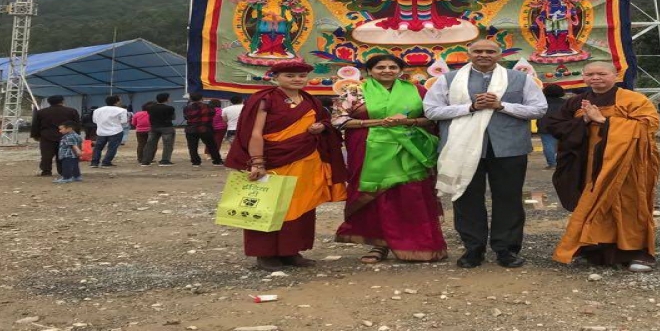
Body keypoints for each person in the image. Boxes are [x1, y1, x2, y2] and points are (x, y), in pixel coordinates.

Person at [423, 39, 547, 269]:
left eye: (490, 51)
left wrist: (502, 106)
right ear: (468, 54)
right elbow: (431, 110)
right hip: (462, 146)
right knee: (466, 198)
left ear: (500, 55)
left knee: (508, 198)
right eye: (478, 51)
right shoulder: (448, 79)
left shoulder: (520, 78)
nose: (484, 55)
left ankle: (506, 250)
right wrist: (469, 107)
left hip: (508, 148)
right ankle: (473, 248)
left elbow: (539, 108)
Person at [225, 59, 347, 271]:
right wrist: (257, 161)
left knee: (301, 206)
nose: (297, 79)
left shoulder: (310, 100)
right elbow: (254, 132)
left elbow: (324, 123)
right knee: (268, 205)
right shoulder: (265, 99)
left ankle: (292, 251)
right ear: (276, 77)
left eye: (301, 76)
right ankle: (265, 255)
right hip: (274, 159)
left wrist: (321, 127)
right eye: (289, 76)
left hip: (306, 161)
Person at [540, 62, 660, 272]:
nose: (595, 78)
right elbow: (554, 125)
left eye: (602, 74)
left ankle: (637, 252)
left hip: (626, 163)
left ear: (616, 75)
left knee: (630, 203)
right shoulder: (576, 102)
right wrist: (584, 120)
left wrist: (605, 121)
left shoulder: (634, 99)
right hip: (588, 163)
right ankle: (593, 248)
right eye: (590, 74)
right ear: (584, 78)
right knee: (591, 202)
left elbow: (649, 125)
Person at [332, 54, 446, 263]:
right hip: (369, 151)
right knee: (377, 197)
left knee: (411, 196)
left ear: (400, 70)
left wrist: (409, 121)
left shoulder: (417, 90)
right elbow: (338, 120)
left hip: (410, 150)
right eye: (380, 67)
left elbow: (433, 117)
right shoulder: (355, 91)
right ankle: (378, 245)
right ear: (369, 71)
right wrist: (377, 122)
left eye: (392, 67)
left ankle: (417, 242)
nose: (387, 70)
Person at [30, 96, 81, 177]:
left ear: (49, 102)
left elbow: (35, 125)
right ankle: (63, 171)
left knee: (46, 155)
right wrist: (76, 135)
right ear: (62, 101)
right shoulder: (72, 111)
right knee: (63, 154)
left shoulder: (41, 112)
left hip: (47, 136)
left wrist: (35, 135)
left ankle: (46, 171)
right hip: (66, 136)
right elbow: (76, 124)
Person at [184, 93, 223, 167]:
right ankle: (217, 161)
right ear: (202, 98)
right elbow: (212, 114)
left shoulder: (187, 108)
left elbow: (186, 117)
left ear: (191, 99)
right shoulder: (208, 106)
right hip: (205, 128)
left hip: (191, 129)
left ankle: (195, 162)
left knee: (192, 146)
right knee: (211, 145)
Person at [90, 95, 128, 168]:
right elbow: (124, 121)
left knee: (98, 147)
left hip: (101, 131)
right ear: (116, 102)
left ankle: (94, 162)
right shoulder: (122, 110)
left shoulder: (97, 110)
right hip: (116, 131)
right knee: (112, 148)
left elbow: (94, 121)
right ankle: (106, 162)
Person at [142, 92, 177, 166]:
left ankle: (146, 161)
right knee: (167, 144)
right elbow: (173, 117)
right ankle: (165, 160)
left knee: (150, 144)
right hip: (167, 127)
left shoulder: (150, 107)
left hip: (154, 127)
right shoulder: (170, 108)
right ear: (166, 99)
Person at [539, 84, 566, 169]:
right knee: (563, 145)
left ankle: (552, 164)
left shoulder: (541, 102)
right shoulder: (565, 102)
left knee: (548, 145)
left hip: (545, 126)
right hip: (562, 126)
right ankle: (563, 162)